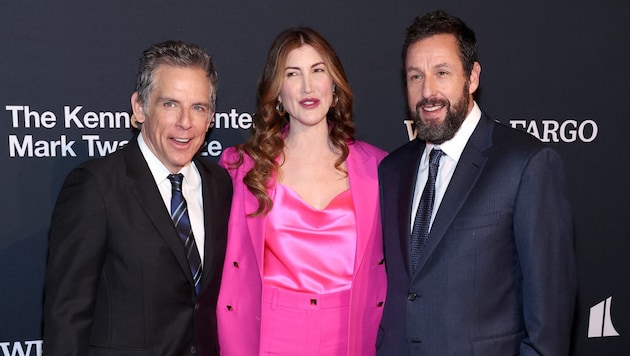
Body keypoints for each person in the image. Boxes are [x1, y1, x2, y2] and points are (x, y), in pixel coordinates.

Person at [377, 10, 577, 355]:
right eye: (415, 76)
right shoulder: (392, 170)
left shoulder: (525, 164)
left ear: (472, 77)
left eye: (442, 73)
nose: (428, 92)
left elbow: (549, 323)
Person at [43, 40, 232, 356]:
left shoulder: (220, 184)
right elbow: (66, 316)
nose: (185, 122)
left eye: (198, 107)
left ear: (211, 116)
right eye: (170, 104)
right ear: (140, 107)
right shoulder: (97, 186)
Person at [216, 27, 387, 355]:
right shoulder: (241, 167)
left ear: (334, 85)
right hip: (269, 333)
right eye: (293, 74)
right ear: (278, 93)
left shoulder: (378, 168)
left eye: (318, 71)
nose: (308, 87)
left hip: (351, 334)